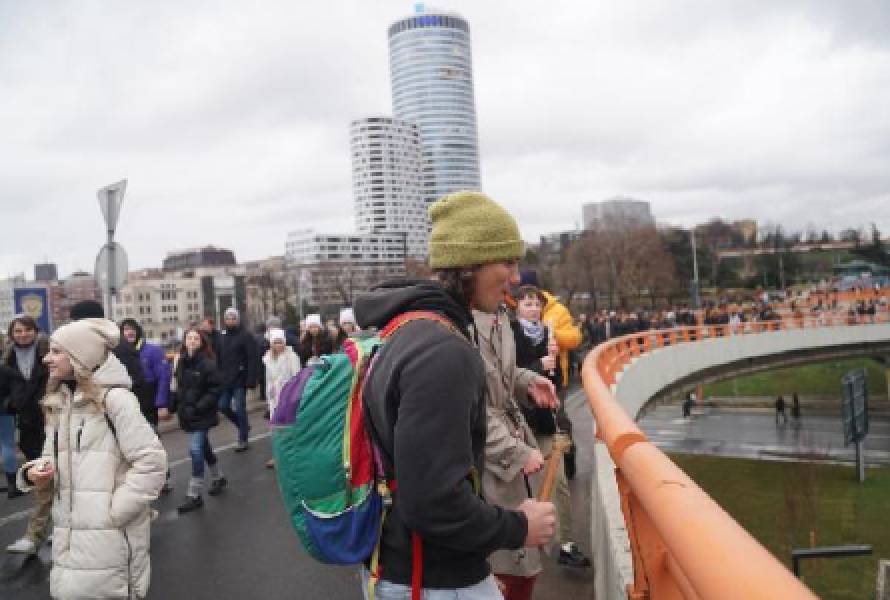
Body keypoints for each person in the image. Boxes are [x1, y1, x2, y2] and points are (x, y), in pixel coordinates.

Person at [354, 190, 556, 599]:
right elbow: (432, 501)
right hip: (434, 581)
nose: (516, 278)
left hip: (397, 565)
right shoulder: (444, 352)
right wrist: (519, 526)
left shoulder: (407, 330)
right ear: (470, 265)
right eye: (507, 262)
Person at [16, 317, 166, 599]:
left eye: (57, 351)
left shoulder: (117, 401)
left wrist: (114, 512)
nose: (47, 358)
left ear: (80, 356)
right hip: (68, 536)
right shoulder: (61, 401)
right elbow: (50, 455)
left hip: (107, 537)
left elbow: (152, 463)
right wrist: (33, 472)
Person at [474, 294, 559, 599]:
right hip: (490, 462)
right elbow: (471, 407)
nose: (513, 277)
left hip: (511, 446)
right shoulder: (456, 325)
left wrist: (527, 381)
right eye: (506, 264)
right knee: (502, 567)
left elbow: (501, 376)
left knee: (523, 566)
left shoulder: (496, 314)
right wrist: (516, 452)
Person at [510, 285, 591, 568]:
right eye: (527, 303)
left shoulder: (547, 333)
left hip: (544, 418)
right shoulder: (509, 332)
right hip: (517, 421)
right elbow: (507, 373)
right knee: (518, 486)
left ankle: (566, 544)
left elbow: (553, 378)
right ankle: (520, 545)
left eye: (536, 304)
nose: (533, 309)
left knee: (558, 483)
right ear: (517, 306)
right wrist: (537, 364)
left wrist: (552, 370)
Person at [5, 315, 50, 552]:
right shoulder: (8, 357)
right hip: (26, 420)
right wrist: (11, 404)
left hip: (49, 416)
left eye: (27, 330)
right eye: (18, 331)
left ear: (35, 331)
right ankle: (41, 532)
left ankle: (36, 534)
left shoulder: (48, 350)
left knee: (53, 476)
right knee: (42, 476)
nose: (23, 335)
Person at [172, 327, 227, 513]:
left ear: (202, 342)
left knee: (195, 449)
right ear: (185, 341)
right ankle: (218, 476)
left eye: (196, 338)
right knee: (204, 446)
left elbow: (215, 389)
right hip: (188, 413)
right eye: (189, 338)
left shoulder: (207, 364)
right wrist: (174, 405)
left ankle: (194, 494)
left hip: (202, 413)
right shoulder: (180, 362)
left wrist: (198, 407)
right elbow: (178, 386)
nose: (193, 341)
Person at [120, 318, 173, 493]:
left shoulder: (153, 351)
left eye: (131, 329)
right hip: (128, 406)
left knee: (153, 443)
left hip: (149, 404)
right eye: (125, 329)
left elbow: (164, 378)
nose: (129, 332)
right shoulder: (118, 353)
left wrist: (161, 404)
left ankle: (164, 477)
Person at [217, 307, 258, 452]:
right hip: (225, 380)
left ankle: (243, 439)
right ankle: (243, 426)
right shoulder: (222, 337)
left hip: (240, 379)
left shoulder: (245, 336)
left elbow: (252, 358)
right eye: (228, 318)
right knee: (222, 406)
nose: (230, 321)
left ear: (237, 319)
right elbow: (218, 358)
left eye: (233, 318)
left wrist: (251, 379)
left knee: (240, 408)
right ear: (224, 320)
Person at [261, 328, 300, 468]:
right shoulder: (268, 358)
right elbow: (268, 379)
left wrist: (293, 395)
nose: (278, 345)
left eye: (280, 342)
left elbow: (297, 377)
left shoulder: (292, 357)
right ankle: (277, 456)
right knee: (275, 428)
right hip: (274, 397)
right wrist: (269, 397)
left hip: (289, 396)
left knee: (289, 427)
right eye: (275, 343)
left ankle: (293, 454)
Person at [0, 362, 22, 497]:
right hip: (4, 412)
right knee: (7, 445)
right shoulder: (5, 370)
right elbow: (19, 385)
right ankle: (12, 487)